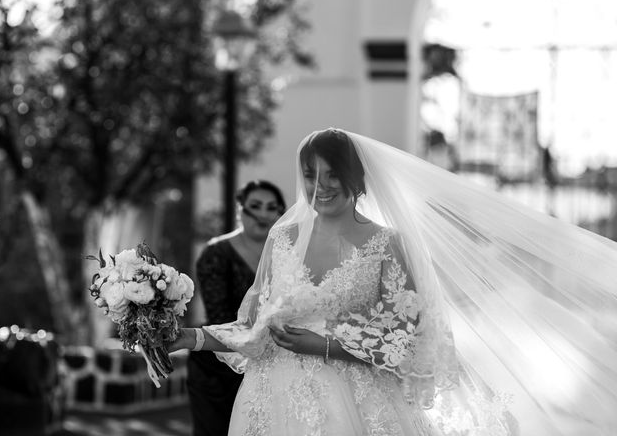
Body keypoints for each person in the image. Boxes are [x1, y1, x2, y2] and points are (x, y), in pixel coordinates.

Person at [171, 128, 617, 435]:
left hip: (356, 402)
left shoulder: (386, 245)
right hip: (270, 400)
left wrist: (324, 345)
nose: (319, 187)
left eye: (332, 175)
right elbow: (255, 331)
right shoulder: (281, 238)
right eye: (311, 175)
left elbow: (405, 340)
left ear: (357, 179)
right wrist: (189, 336)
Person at [186, 180, 285, 436]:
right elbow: (220, 314)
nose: (263, 214)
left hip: (271, 362)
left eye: (271, 207)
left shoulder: (288, 253)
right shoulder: (216, 253)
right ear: (240, 209)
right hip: (218, 365)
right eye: (255, 206)